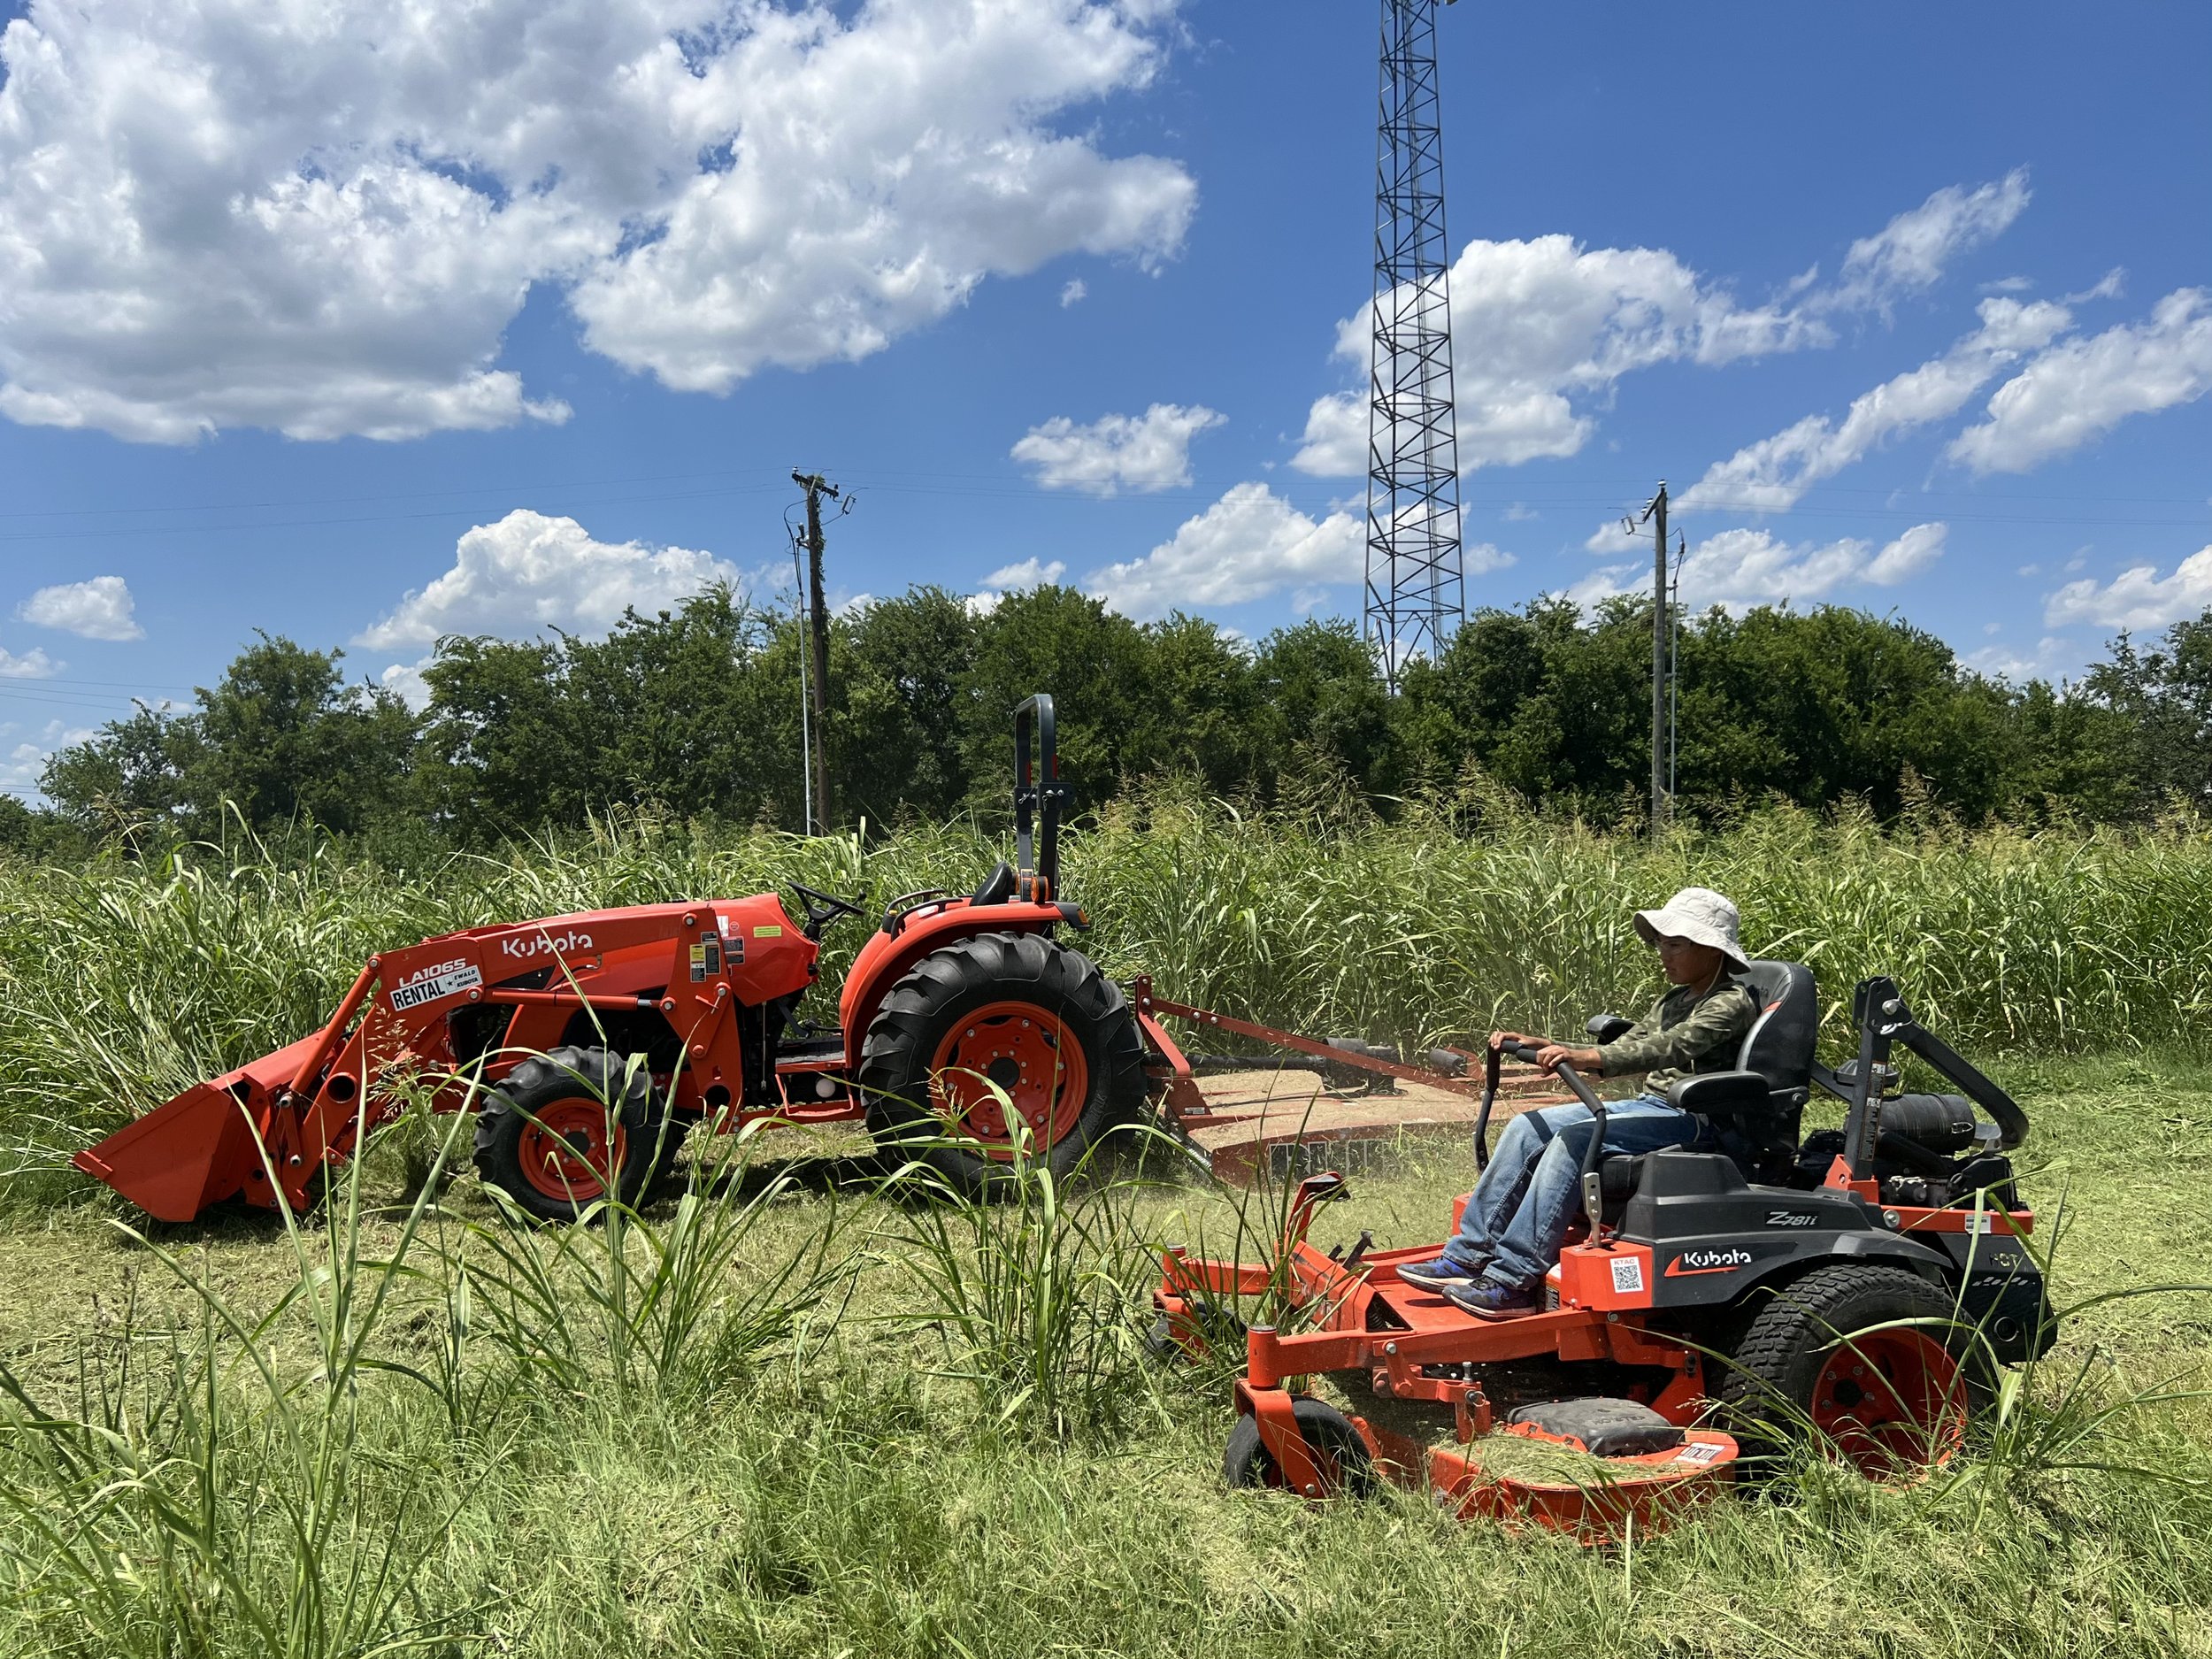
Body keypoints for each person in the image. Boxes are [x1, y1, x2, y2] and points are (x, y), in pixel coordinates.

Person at [1396, 887, 1760, 1320]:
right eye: (1661, 943)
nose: (1664, 953)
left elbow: (1673, 1047)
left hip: (1696, 1118)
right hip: (1653, 1106)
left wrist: (1588, 1057)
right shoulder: (1674, 999)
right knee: (1527, 1126)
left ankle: (1513, 1281)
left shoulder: (1730, 1002)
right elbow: (1631, 1044)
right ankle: (1469, 1255)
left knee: (1573, 1140)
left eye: (1675, 944)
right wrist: (1557, 1047)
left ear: (1711, 949)